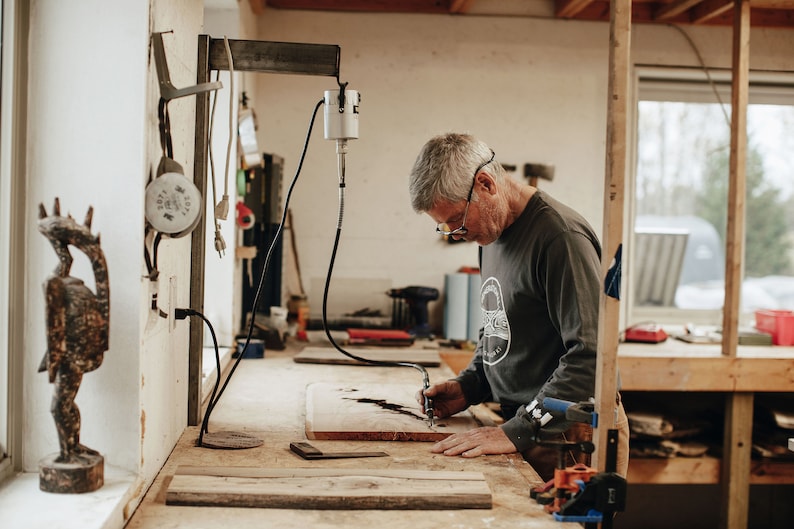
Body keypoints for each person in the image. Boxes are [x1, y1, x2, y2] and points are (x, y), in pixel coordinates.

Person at [408, 132, 629, 481]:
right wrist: (471, 384)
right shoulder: (490, 234)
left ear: (486, 184)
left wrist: (516, 430)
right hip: (527, 426)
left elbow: (592, 358)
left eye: (457, 220)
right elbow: (497, 329)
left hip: (568, 437)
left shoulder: (560, 238)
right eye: (445, 226)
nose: (454, 233)